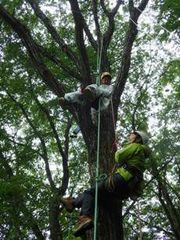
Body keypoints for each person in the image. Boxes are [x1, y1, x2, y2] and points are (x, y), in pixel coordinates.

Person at [61, 130, 151, 237]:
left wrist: (120, 150)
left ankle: (84, 216)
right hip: (125, 190)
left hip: (121, 180)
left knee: (90, 192)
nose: (130, 134)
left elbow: (118, 157)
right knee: (96, 196)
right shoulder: (141, 156)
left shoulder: (136, 146)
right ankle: (73, 203)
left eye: (132, 133)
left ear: (138, 138)